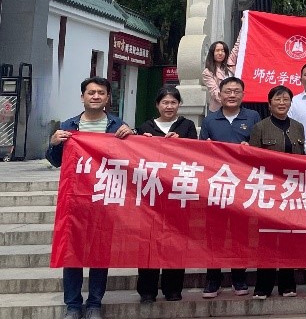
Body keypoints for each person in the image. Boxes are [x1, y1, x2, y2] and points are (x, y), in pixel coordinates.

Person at [46, 76, 133, 319]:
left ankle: (95, 303)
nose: (96, 96)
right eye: (91, 92)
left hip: (105, 199)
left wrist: (132, 136)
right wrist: (54, 143)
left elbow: (130, 159)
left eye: (101, 93)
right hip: (75, 200)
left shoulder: (118, 126)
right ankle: (73, 305)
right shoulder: (69, 125)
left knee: (99, 254)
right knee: (72, 253)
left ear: (108, 98)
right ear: (82, 96)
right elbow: (56, 161)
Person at [199, 76, 261, 299]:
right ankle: (212, 279)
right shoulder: (210, 120)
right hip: (217, 184)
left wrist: (250, 148)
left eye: (236, 91)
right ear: (220, 94)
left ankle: (238, 277)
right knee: (214, 233)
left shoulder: (253, 117)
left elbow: (259, 148)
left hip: (243, 185)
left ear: (243, 95)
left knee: (239, 233)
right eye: (228, 91)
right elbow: (200, 152)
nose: (232, 95)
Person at [135, 86, 197, 303]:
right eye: (165, 102)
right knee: (149, 242)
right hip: (151, 194)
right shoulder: (145, 127)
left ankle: (173, 289)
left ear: (179, 105)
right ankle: (147, 290)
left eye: (173, 102)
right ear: (157, 105)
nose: (169, 106)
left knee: (176, 241)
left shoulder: (187, 126)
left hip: (178, 192)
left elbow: (197, 155)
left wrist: (181, 143)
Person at [250, 85, 305, 300]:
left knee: (289, 237)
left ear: (291, 103)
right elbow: (252, 161)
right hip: (268, 191)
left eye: (285, 99)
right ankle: (263, 286)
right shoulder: (260, 127)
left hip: (291, 191)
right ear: (269, 103)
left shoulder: (298, 127)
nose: (282, 103)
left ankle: (287, 284)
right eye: (277, 99)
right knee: (267, 238)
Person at [201, 39, 237, 113]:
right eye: (217, 50)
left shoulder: (230, 64)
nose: (220, 53)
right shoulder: (207, 72)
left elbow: (236, 48)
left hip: (235, 107)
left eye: (223, 51)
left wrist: (244, 31)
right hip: (218, 110)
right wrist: (229, 102)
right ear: (212, 53)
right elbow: (215, 92)